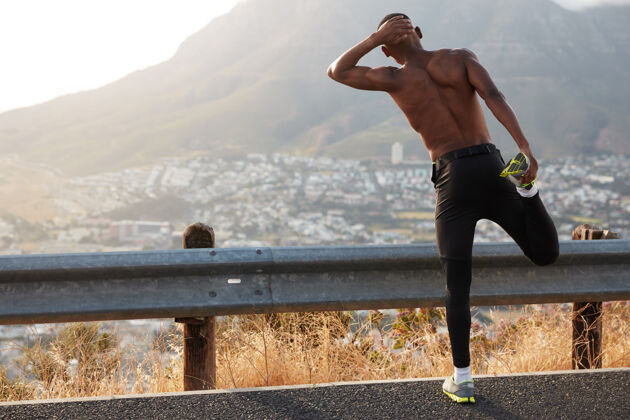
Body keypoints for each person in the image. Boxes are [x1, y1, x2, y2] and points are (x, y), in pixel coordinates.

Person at [327, 13, 559, 403]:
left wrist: (373, 38)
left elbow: (336, 71)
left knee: (457, 285)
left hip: (454, 178)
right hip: (491, 164)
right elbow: (494, 96)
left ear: (387, 46)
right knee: (544, 254)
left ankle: (462, 380)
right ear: (419, 32)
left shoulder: (393, 78)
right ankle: (530, 192)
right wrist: (525, 148)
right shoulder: (459, 57)